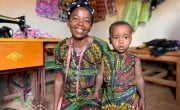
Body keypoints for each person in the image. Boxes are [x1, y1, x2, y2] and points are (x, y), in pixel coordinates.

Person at [53, 0, 110, 110]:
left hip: (92, 97)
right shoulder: (60, 47)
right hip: (69, 98)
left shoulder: (100, 46)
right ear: (68, 22)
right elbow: (59, 79)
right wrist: (55, 107)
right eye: (75, 18)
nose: (80, 23)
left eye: (86, 21)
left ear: (91, 26)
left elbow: (111, 75)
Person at [93, 21, 145, 110]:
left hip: (128, 98)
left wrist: (142, 96)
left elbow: (139, 79)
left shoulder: (134, 59)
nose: (121, 41)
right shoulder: (105, 57)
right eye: (116, 38)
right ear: (110, 40)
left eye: (125, 37)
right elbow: (100, 76)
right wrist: (96, 91)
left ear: (130, 40)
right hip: (109, 98)